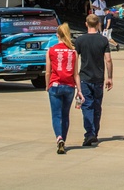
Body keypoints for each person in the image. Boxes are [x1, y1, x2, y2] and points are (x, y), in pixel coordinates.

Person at [75, 13, 113, 146]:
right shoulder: (103, 40)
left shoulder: (79, 40)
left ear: (86, 24)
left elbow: (75, 60)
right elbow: (108, 59)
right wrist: (110, 77)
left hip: (85, 77)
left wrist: (75, 78)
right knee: (97, 106)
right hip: (99, 78)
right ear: (98, 24)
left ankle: (89, 133)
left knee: (87, 106)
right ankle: (95, 132)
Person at [45, 23, 81, 154]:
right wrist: (79, 90)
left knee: (56, 115)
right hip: (69, 86)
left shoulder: (51, 50)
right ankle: (63, 140)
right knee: (65, 115)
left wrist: (47, 85)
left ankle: (59, 138)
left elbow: (48, 72)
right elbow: (76, 73)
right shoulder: (73, 51)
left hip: (55, 85)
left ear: (57, 35)